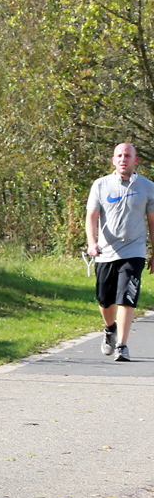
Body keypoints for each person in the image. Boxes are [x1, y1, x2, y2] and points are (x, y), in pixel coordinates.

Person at [87, 141, 154, 361]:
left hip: (134, 251)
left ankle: (122, 346)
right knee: (105, 300)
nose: (123, 159)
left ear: (136, 160)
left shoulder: (147, 187)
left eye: (127, 155)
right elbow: (92, 216)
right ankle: (109, 328)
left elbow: (152, 222)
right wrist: (92, 242)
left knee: (127, 296)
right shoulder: (101, 185)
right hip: (106, 252)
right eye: (119, 156)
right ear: (114, 160)